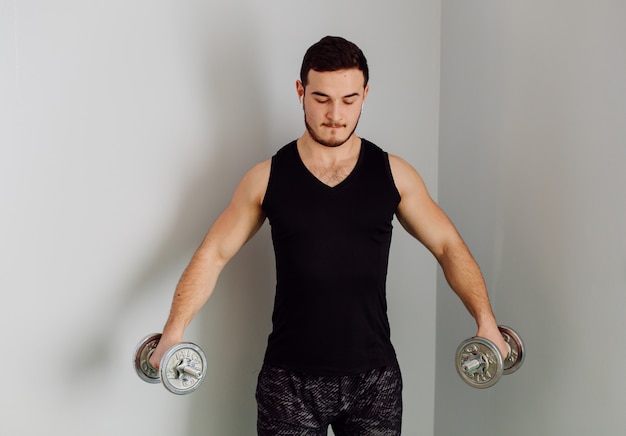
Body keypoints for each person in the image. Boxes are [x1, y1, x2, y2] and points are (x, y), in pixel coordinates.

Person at [149, 36, 509, 435]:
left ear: (366, 95)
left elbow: (447, 245)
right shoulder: (267, 178)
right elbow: (214, 253)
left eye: (349, 99)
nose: (335, 114)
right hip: (289, 381)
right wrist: (174, 331)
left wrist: (486, 321)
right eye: (321, 98)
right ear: (301, 91)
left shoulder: (394, 174)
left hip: (374, 380)